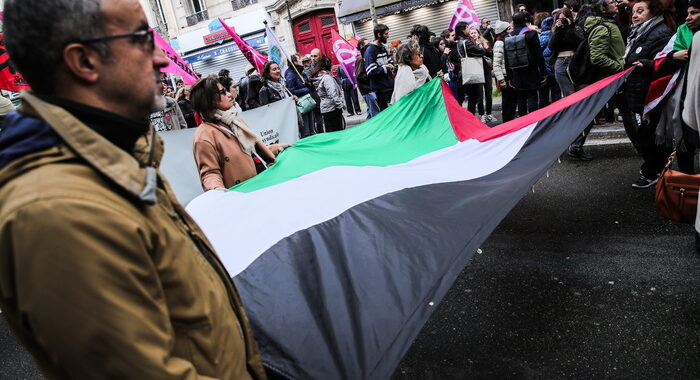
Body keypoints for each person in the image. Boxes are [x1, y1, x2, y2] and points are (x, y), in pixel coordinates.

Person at [0, 0, 268, 378]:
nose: (161, 58)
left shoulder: (118, 156)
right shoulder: (56, 212)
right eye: (143, 38)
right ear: (84, 61)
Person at [191, 76, 288, 190]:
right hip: (245, 195)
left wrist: (274, 148)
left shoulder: (236, 121)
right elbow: (210, 174)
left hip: (264, 183)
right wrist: (218, 192)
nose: (229, 94)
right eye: (223, 92)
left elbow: (250, 152)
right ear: (210, 100)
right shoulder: (204, 136)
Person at [620, 0, 674, 188]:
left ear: (653, 13)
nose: (634, 15)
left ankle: (653, 171)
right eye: (633, 12)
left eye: (640, 11)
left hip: (651, 93)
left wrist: (646, 65)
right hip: (638, 90)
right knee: (645, 135)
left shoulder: (660, 33)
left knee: (649, 135)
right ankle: (655, 169)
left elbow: (663, 64)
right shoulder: (638, 33)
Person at [568, 0, 625, 160]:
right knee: (590, 113)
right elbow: (597, 57)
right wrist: (619, 66)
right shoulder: (602, 27)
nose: (616, 2)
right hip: (601, 78)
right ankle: (576, 145)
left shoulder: (606, 23)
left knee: (589, 113)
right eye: (612, 1)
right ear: (602, 9)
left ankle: (576, 145)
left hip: (600, 78)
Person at [504, 12, 547, 120]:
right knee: (532, 95)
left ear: (513, 22)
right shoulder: (531, 34)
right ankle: (534, 120)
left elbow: (507, 59)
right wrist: (543, 72)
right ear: (526, 20)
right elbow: (538, 55)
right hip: (531, 70)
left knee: (520, 97)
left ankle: (523, 122)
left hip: (516, 72)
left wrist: (509, 77)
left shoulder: (508, 36)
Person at [549, 8, 583, 98]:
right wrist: (558, 30)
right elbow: (551, 46)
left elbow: (580, 43)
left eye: (564, 19)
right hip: (561, 62)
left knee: (580, 90)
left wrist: (569, 28)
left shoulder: (576, 29)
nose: (562, 21)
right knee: (568, 92)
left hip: (575, 62)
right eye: (560, 19)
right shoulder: (555, 31)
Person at [364, 24, 395, 110]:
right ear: (379, 34)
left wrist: (391, 65)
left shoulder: (383, 48)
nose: (388, 36)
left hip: (390, 87)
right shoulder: (370, 50)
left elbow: (389, 62)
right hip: (381, 90)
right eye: (386, 34)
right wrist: (385, 68)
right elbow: (370, 71)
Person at [456, 22, 485, 114]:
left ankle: (471, 119)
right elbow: (480, 51)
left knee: (471, 98)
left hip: (464, 72)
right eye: (467, 27)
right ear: (463, 30)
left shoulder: (458, 42)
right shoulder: (466, 42)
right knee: (473, 98)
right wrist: (478, 45)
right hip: (471, 72)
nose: (469, 29)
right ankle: (471, 119)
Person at [311, 56, 345, 132]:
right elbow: (333, 94)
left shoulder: (321, 77)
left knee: (330, 131)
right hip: (332, 109)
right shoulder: (327, 78)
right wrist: (340, 105)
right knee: (337, 131)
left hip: (326, 108)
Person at [286, 53, 317, 137]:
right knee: (305, 129)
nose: (301, 60)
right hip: (301, 103)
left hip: (307, 100)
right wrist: (306, 89)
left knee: (312, 126)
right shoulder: (291, 75)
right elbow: (291, 90)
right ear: (294, 62)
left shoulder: (300, 72)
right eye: (299, 59)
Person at [472, 28, 496, 123]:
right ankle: (482, 115)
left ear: (478, 33)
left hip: (486, 71)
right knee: (479, 95)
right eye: (472, 33)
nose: (473, 34)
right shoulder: (469, 44)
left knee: (488, 93)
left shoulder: (485, 41)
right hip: (476, 71)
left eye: (475, 32)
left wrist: (482, 44)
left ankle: (489, 113)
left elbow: (490, 52)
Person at [538, 17, 563, 108]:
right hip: (553, 68)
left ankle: (544, 117)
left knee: (543, 96)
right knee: (556, 93)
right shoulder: (555, 36)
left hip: (542, 70)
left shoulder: (538, 38)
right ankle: (557, 113)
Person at [355, 38, 381, 119]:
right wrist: (372, 76)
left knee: (371, 112)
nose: (369, 46)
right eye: (367, 45)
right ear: (362, 46)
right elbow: (360, 75)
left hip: (370, 89)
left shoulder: (367, 56)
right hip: (368, 90)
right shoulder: (361, 59)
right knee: (375, 113)